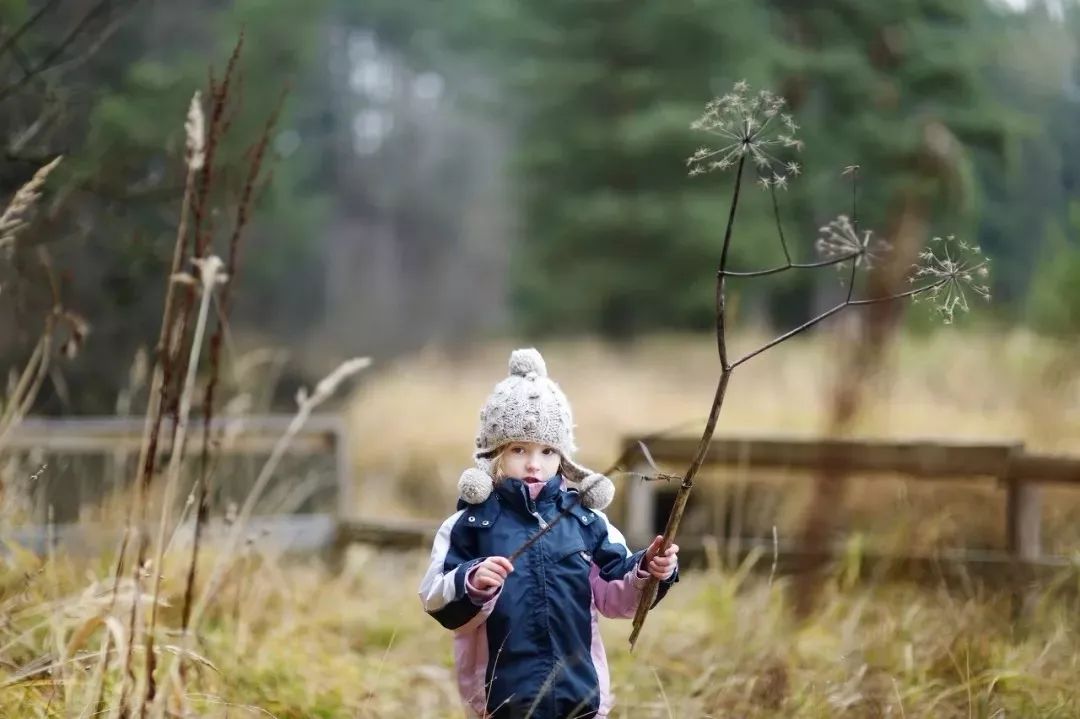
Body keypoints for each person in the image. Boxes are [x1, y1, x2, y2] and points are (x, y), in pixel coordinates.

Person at [418, 348, 679, 718]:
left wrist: (650, 570)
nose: (533, 464)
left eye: (547, 451)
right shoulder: (470, 525)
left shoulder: (586, 522)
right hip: (502, 700)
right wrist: (472, 582)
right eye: (519, 449)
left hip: (580, 697)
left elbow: (616, 597)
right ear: (493, 455)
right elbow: (435, 598)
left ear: (564, 458)